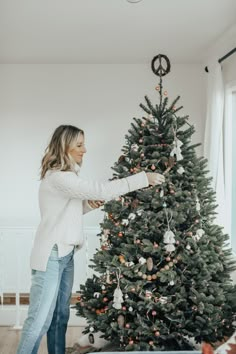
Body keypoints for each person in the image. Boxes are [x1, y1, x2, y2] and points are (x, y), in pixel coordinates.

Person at [16, 124, 165, 354]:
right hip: (51, 256)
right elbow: (102, 189)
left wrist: (86, 206)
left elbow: (63, 214)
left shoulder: (67, 178)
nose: (84, 150)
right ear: (65, 147)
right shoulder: (59, 178)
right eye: (79, 145)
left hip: (65, 254)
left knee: (60, 315)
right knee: (39, 320)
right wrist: (143, 178)